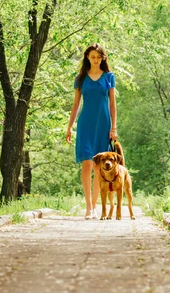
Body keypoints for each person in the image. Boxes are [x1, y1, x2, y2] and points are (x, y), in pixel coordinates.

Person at [66, 43, 117, 219]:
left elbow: (112, 104)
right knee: (86, 163)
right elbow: (75, 105)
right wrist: (69, 127)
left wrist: (114, 127)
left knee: (98, 166)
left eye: (98, 57)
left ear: (103, 58)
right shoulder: (81, 78)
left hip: (103, 124)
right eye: (92, 56)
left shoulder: (109, 77)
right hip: (85, 124)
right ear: (87, 58)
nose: (95, 60)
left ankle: (95, 206)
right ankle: (88, 207)